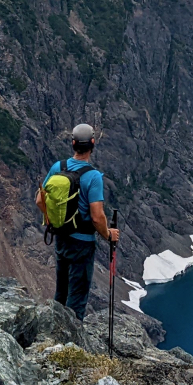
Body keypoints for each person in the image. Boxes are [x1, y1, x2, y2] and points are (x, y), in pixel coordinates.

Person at [36, 123, 119, 320]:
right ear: (92, 144)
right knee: (77, 296)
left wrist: (53, 222)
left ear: (73, 143)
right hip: (82, 244)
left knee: (61, 291)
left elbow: (40, 200)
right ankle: (70, 345)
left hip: (61, 238)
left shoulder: (58, 167)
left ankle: (53, 334)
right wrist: (109, 235)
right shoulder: (93, 177)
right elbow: (97, 217)